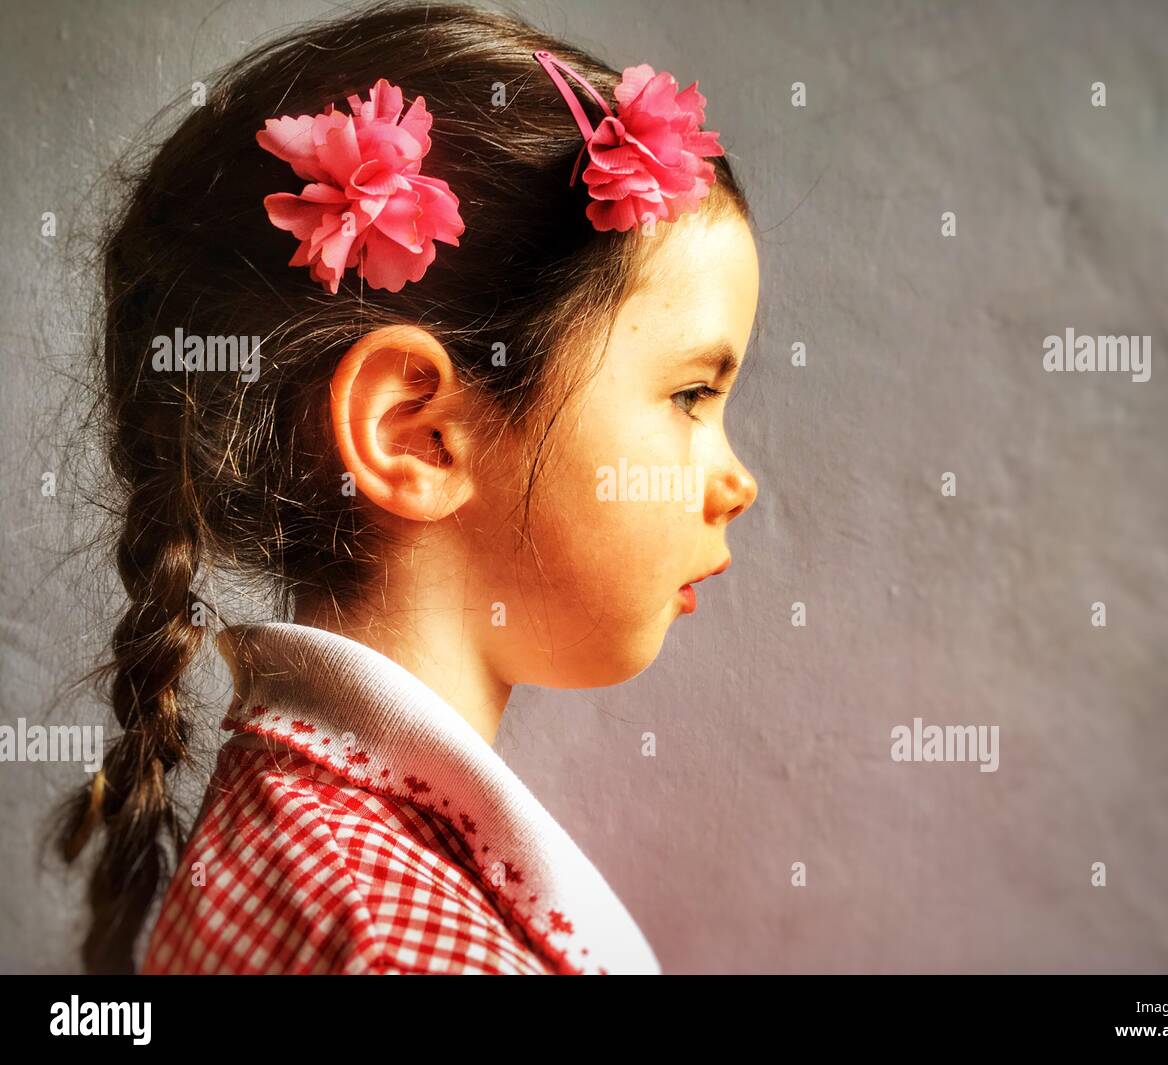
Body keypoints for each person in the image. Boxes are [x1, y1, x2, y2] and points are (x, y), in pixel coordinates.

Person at [55, 0, 759, 975]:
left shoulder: (315, 850)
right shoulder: (395, 947)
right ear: (415, 435)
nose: (739, 482)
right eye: (688, 394)